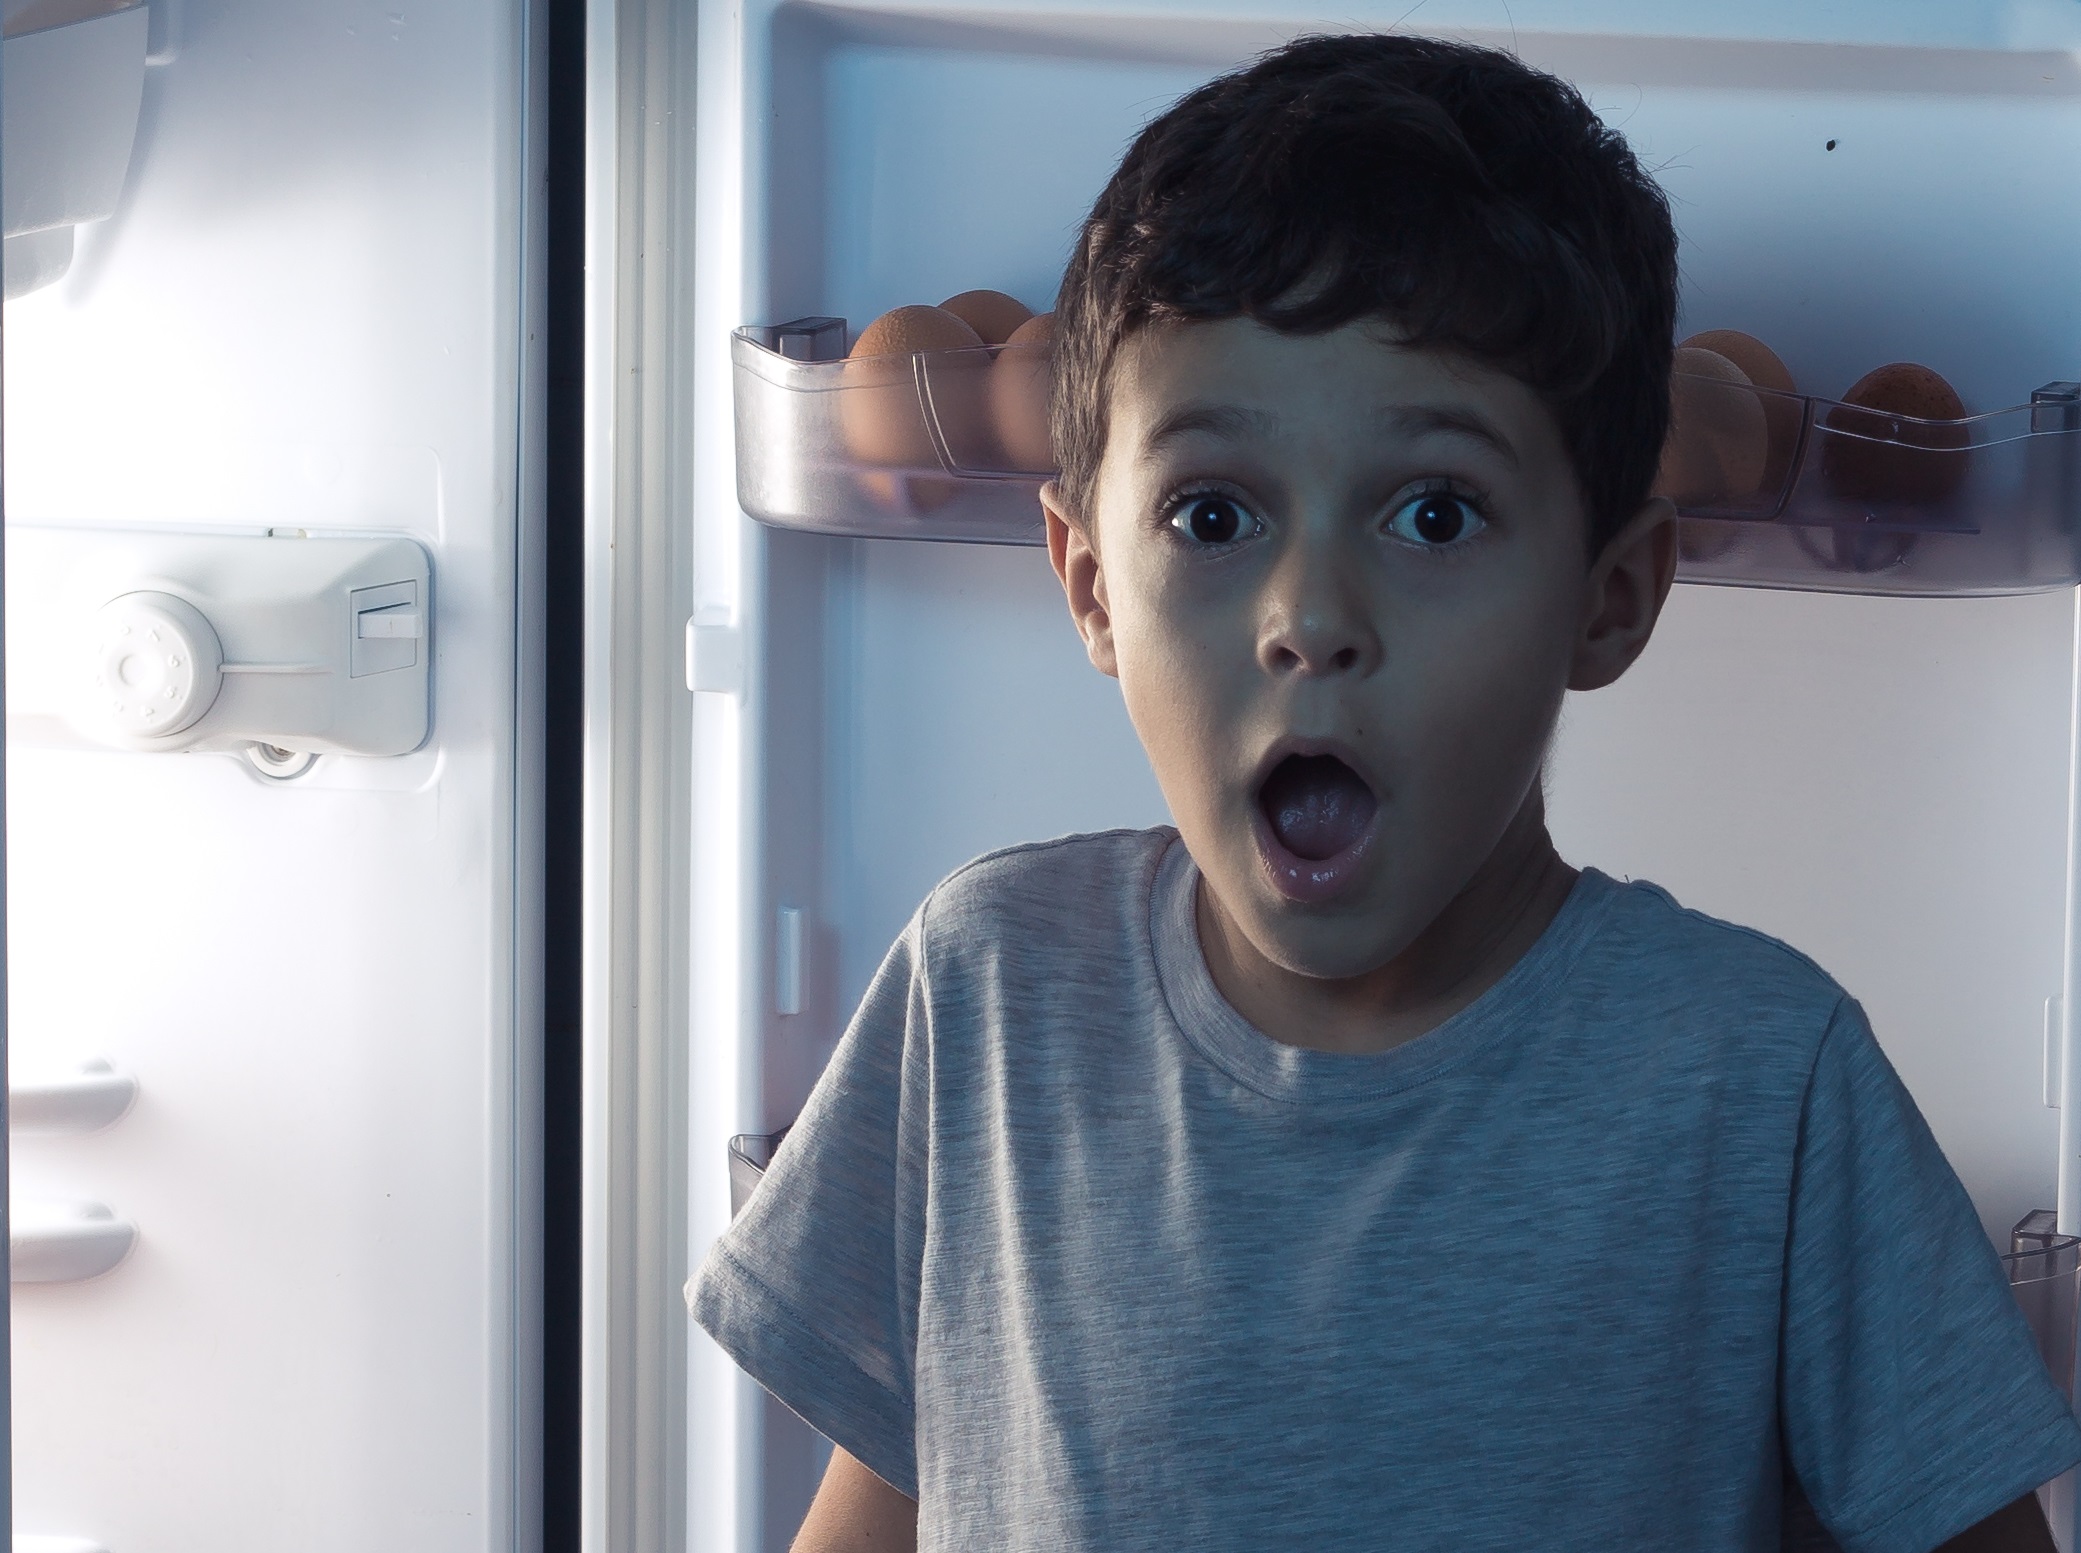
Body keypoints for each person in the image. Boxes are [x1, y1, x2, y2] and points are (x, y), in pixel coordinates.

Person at [690, 33, 2081, 1552]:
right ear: (1091, 589)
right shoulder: (988, 993)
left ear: (1609, 598)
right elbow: (878, 1506)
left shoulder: (1760, 1080)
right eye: (1211, 513)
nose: (1309, 611)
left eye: (1432, 511)